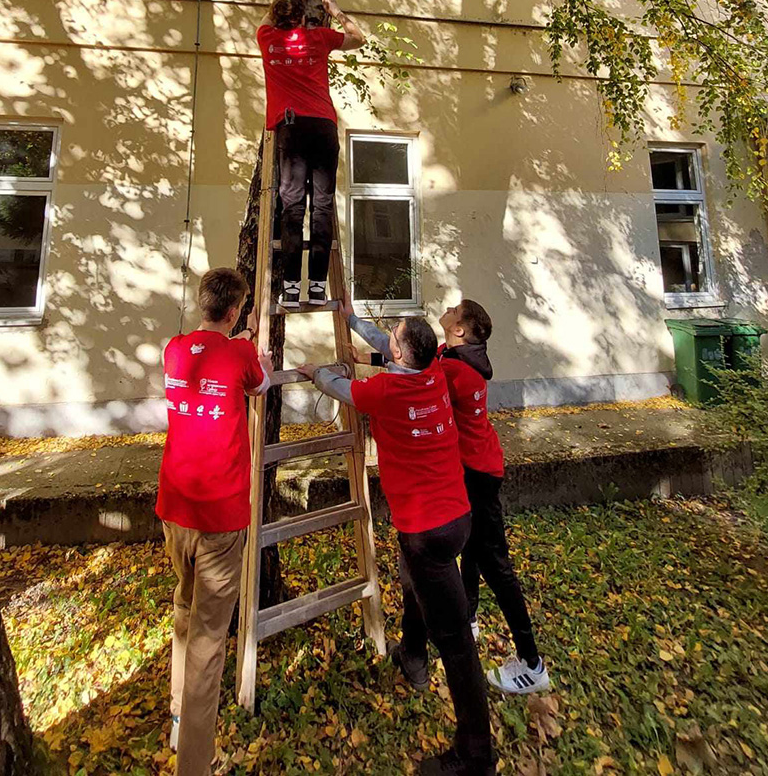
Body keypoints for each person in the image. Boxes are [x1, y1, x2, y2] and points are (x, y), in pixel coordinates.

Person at [300, 317, 497, 776]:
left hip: (426, 531)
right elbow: (385, 343)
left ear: (398, 355)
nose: (386, 338)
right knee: (413, 580)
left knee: (456, 642)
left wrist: (314, 372)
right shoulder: (435, 370)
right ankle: (413, 654)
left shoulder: (385, 391)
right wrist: (351, 318)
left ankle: (477, 755)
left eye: (392, 337)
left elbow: (338, 388)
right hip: (456, 519)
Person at [345, 296, 550, 696]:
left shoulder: (453, 371)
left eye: (454, 311)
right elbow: (405, 360)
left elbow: (406, 367)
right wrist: (364, 350)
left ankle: (531, 662)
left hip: (477, 473)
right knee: (468, 554)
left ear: (458, 330)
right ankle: (466, 620)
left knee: (496, 566)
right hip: (471, 469)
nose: (448, 310)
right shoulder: (450, 357)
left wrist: (363, 349)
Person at [156, 267, 274, 776]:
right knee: (208, 640)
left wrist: (240, 339)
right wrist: (258, 352)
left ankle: (178, 716)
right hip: (220, 517)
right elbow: (260, 383)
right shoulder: (240, 356)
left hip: (175, 510)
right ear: (235, 311)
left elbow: (215, 360)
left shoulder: (174, 349)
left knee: (184, 611)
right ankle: (194, 764)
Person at [256, 0, 364, 307]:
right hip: (323, 126)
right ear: (303, 18)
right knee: (322, 204)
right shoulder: (318, 38)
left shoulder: (267, 39)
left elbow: (265, 20)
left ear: (277, 17)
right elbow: (358, 38)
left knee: (292, 205)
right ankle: (317, 287)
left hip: (292, 129)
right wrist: (334, 11)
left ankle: (291, 288)